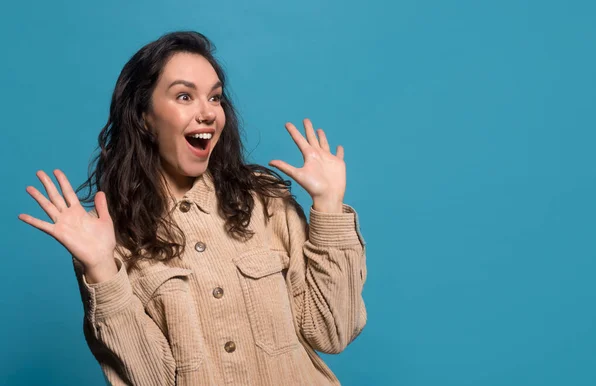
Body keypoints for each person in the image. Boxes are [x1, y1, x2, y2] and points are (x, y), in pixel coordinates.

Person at [18, 31, 367, 386]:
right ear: (144, 117)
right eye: (184, 96)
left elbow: (332, 332)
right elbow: (150, 379)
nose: (207, 113)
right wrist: (102, 270)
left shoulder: (266, 202)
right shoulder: (107, 237)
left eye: (215, 98)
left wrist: (328, 207)